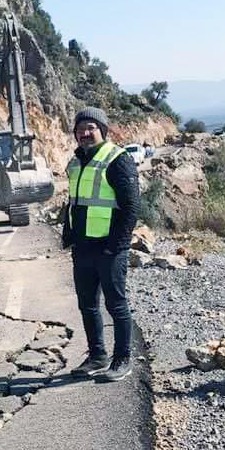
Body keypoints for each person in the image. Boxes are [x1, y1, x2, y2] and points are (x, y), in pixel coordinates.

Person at [62, 107, 139, 382]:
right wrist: (68, 234)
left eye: (91, 127)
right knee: (87, 305)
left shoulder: (118, 159)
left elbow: (131, 207)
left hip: (109, 249)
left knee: (116, 305)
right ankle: (97, 356)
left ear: (103, 130)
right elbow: (74, 202)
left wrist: (116, 246)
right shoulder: (76, 162)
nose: (84, 133)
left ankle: (122, 360)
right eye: (80, 128)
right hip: (83, 248)